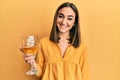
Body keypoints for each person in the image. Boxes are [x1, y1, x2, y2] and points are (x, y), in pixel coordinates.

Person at [21, 2, 89, 80]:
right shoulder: (43, 43)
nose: (63, 22)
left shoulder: (82, 46)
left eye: (69, 18)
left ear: (74, 23)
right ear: (56, 18)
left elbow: (85, 75)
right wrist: (32, 61)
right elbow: (39, 73)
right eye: (60, 16)